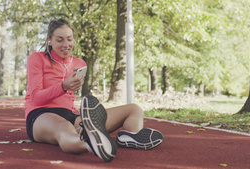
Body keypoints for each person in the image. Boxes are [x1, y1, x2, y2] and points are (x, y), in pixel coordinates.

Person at [24, 18, 164, 163]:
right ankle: (90, 144)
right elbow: (35, 97)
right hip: (40, 115)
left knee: (134, 109)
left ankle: (129, 136)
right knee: (64, 127)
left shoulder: (79, 63)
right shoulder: (37, 58)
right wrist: (64, 86)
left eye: (69, 39)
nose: (66, 45)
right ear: (49, 40)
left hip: (71, 115)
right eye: (59, 40)